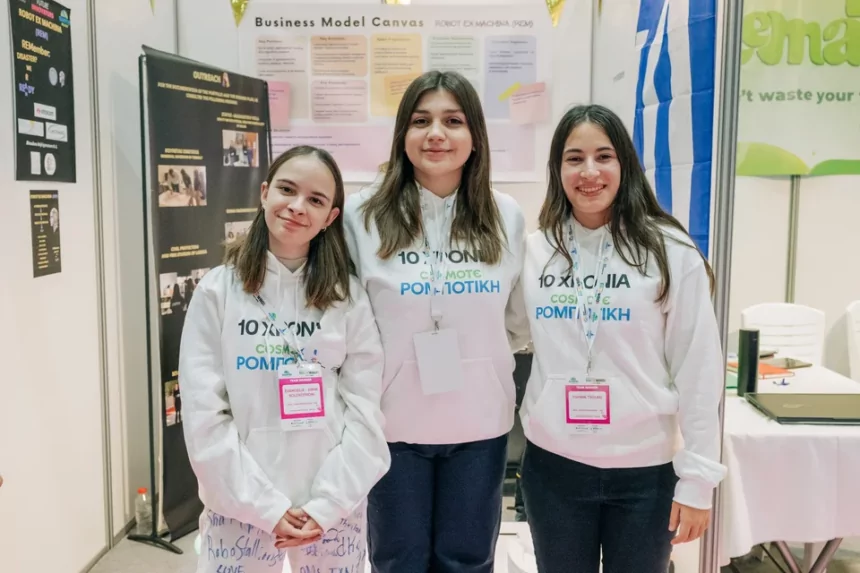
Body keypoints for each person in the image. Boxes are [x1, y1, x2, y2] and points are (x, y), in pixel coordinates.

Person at [507, 104, 728, 573]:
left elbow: (699, 369)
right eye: (574, 158)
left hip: (645, 474)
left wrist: (698, 480)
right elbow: (504, 333)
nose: (589, 172)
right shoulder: (535, 251)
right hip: (555, 468)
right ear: (557, 169)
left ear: (624, 164)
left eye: (603, 156)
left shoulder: (669, 251)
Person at [343, 70, 526, 573]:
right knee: (396, 561)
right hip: (391, 425)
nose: (436, 134)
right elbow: (348, 322)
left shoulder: (505, 215)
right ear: (403, 134)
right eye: (421, 121)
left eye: (453, 121)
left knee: (467, 561)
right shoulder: (362, 214)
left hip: (480, 424)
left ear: (476, 136)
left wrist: (474, 359)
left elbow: (516, 322)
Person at [180, 145, 390, 573]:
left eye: (315, 199)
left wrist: (327, 504)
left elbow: (366, 413)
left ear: (331, 217)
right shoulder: (218, 291)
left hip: (331, 507)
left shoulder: (347, 297)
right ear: (264, 193)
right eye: (287, 190)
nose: (297, 207)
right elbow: (204, 415)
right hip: (240, 503)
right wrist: (263, 505)